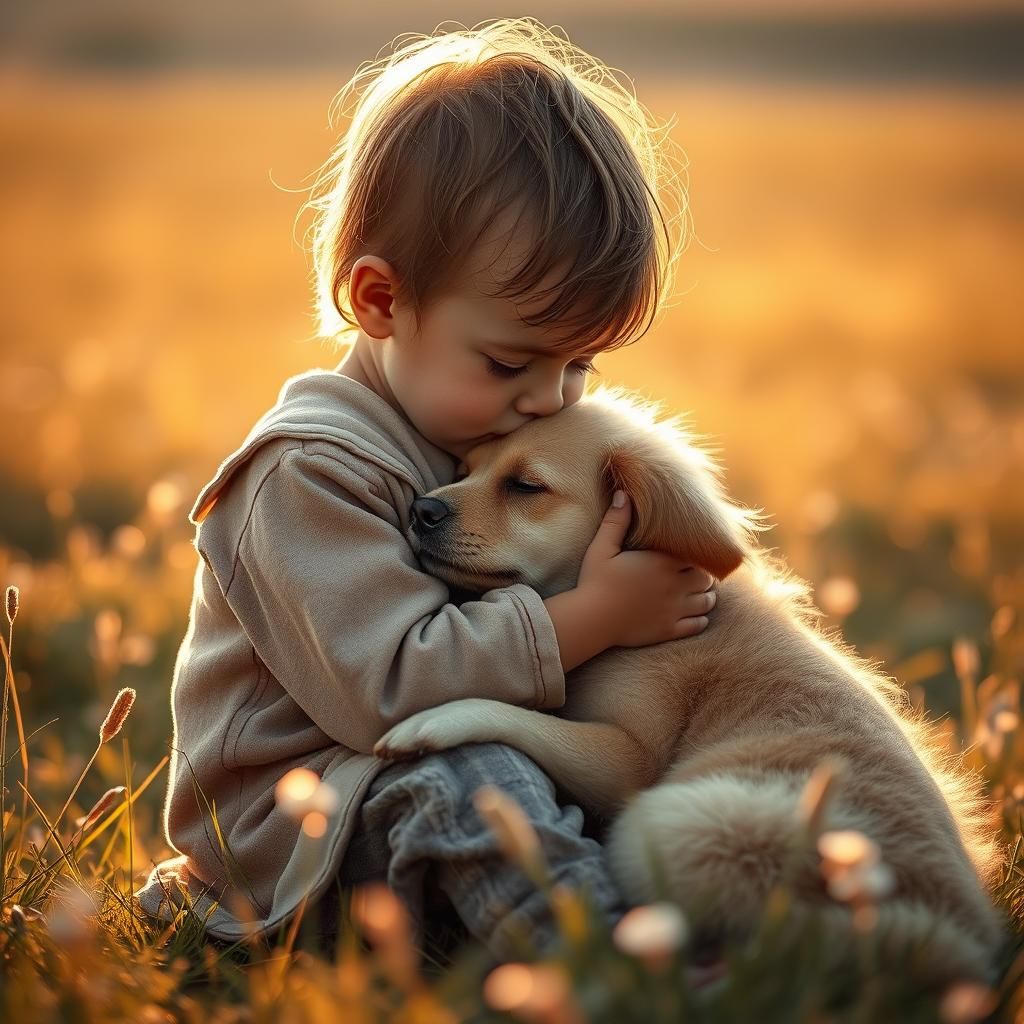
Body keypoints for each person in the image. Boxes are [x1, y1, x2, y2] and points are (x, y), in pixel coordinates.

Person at [135, 18, 717, 962]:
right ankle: (608, 967)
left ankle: (692, 916)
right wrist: (595, 619)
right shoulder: (306, 471)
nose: (548, 398)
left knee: (578, 769)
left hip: (390, 791)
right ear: (377, 302)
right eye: (509, 360)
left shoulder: (469, 429)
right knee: (474, 779)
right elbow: (395, 690)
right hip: (300, 838)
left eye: (581, 364)